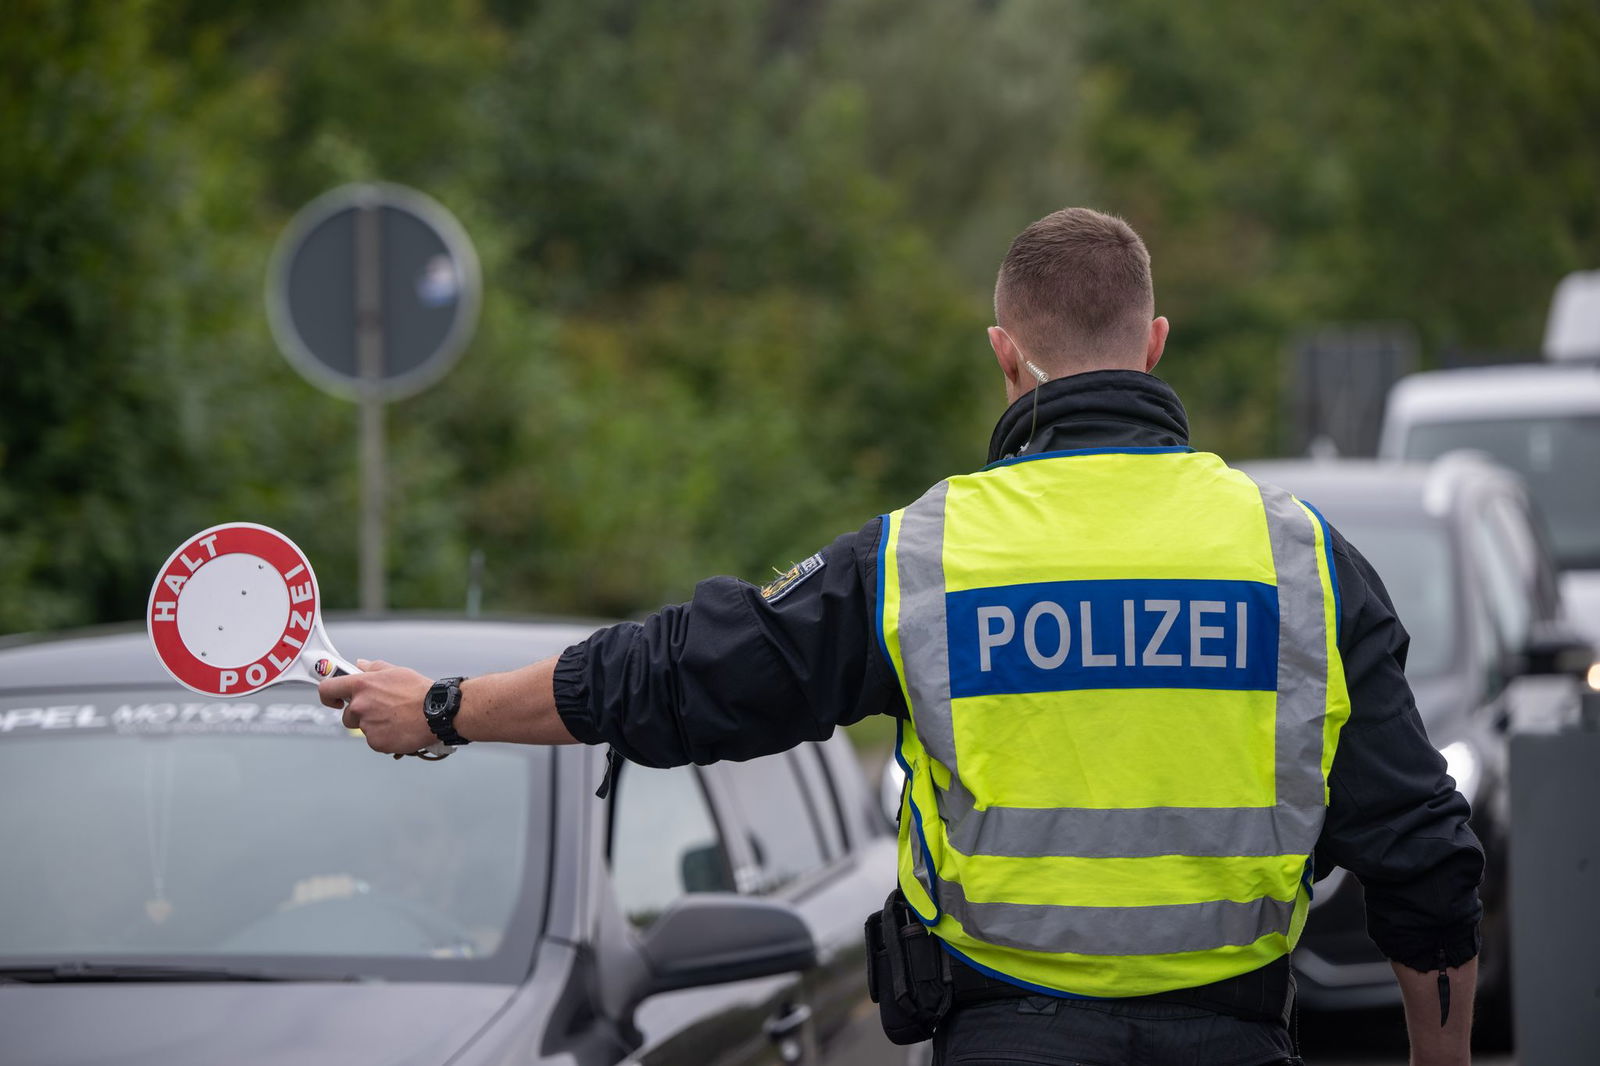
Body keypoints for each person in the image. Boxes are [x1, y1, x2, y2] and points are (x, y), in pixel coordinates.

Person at [321, 208, 1483, 1066]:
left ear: (1004, 353)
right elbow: (1423, 852)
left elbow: (685, 674)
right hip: (1233, 1040)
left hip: (1005, 1043)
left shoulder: (927, 556)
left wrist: (441, 709)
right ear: (1155, 342)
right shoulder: (1300, 560)